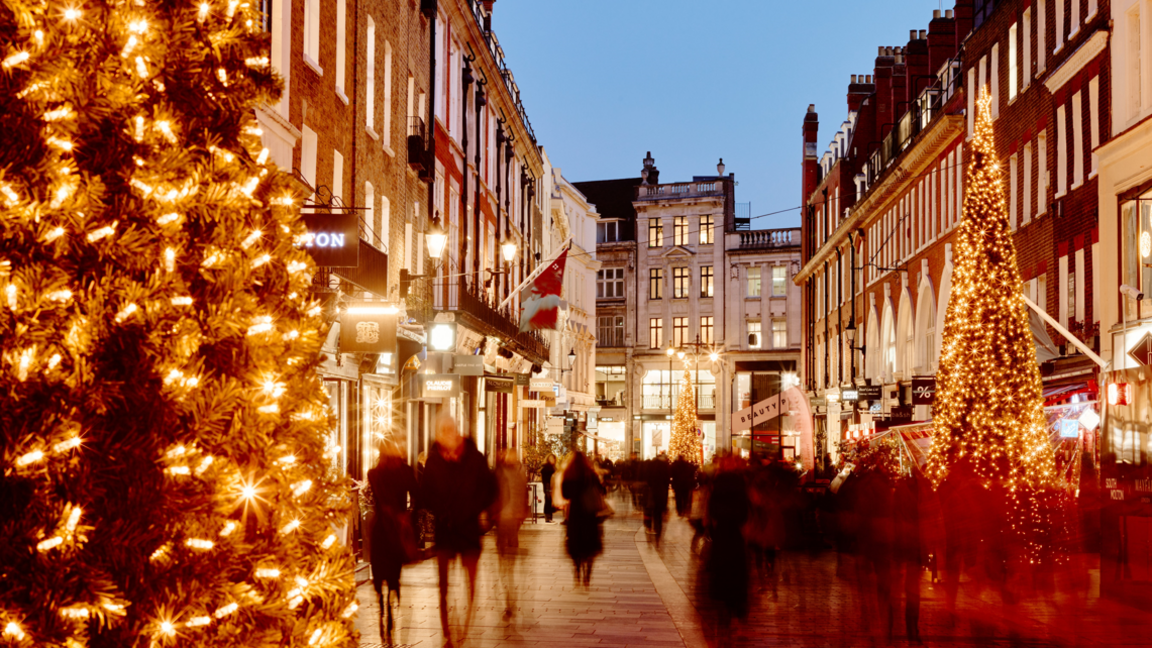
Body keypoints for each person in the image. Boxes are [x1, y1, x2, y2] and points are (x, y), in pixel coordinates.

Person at [420, 414, 497, 646]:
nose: (446, 434)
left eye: (449, 429)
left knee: (470, 582)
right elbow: (426, 493)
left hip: (468, 529)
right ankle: (447, 632)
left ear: (456, 430)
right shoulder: (433, 461)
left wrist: (475, 510)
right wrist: (440, 511)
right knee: (443, 585)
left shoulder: (475, 458)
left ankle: (464, 626)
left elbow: (490, 489)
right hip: (445, 530)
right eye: (442, 430)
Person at [366, 441, 417, 643]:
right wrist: (407, 515)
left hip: (381, 527)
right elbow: (416, 494)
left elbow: (379, 496)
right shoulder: (403, 471)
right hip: (394, 528)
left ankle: (382, 603)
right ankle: (388, 601)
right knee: (393, 572)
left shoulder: (374, 473)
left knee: (380, 570)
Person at [561, 450, 606, 588]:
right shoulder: (590, 474)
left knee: (576, 542)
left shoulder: (569, 474)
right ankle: (587, 575)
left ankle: (577, 569)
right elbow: (602, 491)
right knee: (589, 543)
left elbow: (565, 494)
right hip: (589, 513)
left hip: (575, 512)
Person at [494, 448, 528, 619]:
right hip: (508, 521)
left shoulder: (506, 473)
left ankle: (509, 595)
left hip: (508, 521)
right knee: (507, 560)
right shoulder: (516, 473)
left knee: (506, 560)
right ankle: (509, 596)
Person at [645, 452, 671, 544]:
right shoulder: (664, 465)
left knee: (650, 508)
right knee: (658, 510)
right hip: (661, 490)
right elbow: (667, 479)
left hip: (652, 489)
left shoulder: (651, 464)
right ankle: (657, 527)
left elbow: (647, 476)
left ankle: (649, 526)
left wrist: (650, 485)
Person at [540, 454, 557, 523]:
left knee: (549, 501)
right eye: (551, 459)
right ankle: (548, 517)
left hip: (550, 486)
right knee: (548, 501)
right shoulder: (548, 468)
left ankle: (549, 517)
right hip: (548, 486)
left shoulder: (552, 467)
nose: (552, 460)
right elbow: (547, 479)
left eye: (553, 458)